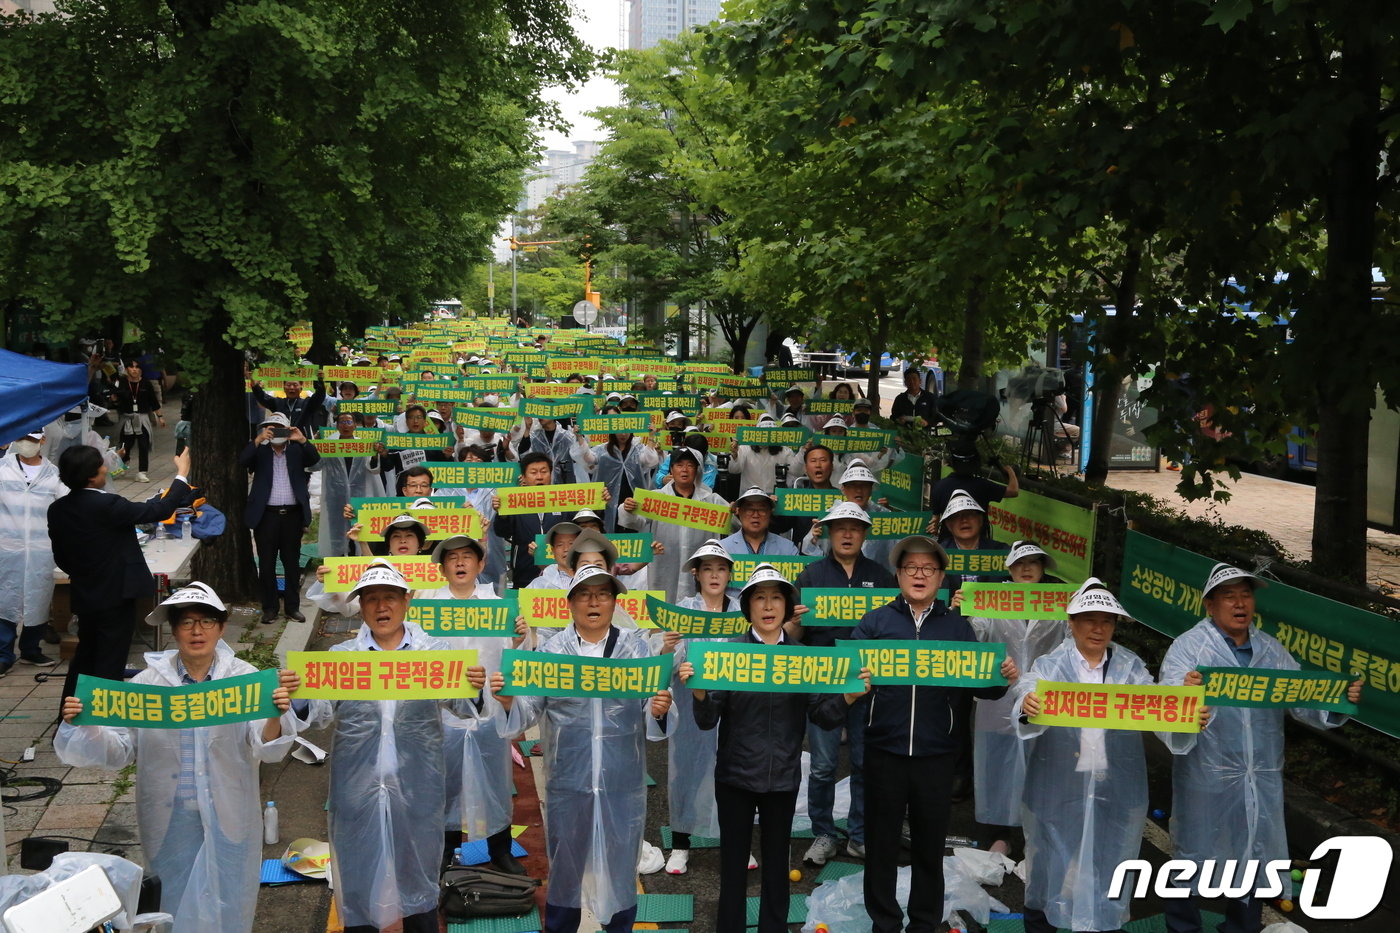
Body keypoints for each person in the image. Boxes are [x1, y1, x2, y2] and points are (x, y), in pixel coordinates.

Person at [55, 583, 299, 933]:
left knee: (231, 901)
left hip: (230, 814)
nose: (197, 631)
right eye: (186, 622)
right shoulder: (147, 685)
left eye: (206, 621)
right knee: (173, 903)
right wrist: (88, 724)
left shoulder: (244, 680)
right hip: (169, 819)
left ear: (221, 626)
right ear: (173, 629)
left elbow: (265, 746)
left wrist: (275, 713)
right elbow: (122, 749)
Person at [1159, 564, 1363, 933]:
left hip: (1261, 775)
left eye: (1246, 595)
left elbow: (1303, 699)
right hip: (1207, 772)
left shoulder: (1271, 650)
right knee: (1193, 851)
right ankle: (1183, 927)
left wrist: (1337, 700)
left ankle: (1241, 927)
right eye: (1229, 596)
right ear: (1209, 604)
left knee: (1255, 850)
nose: (1240, 603)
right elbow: (1167, 707)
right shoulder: (1189, 648)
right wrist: (1186, 696)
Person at [296, 560, 487, 933]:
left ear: (406, 601)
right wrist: (295, 694)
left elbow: (465, 709)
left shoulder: (434, 653)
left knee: (417, 882)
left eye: (389, 598)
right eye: (370, 599)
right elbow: (317, 713)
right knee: (359, 880)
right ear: (361, 607)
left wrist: (475, 685)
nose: (381, 607)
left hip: (417, 790)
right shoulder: (342, 659)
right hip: (357, 792)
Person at [680, 564, 871, 933]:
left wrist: (846, 697)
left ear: (786, 607)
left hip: (782, 778)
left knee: (777, 864)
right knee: (733, 864)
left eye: (776, 598)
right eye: (760, 598)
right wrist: (700, 693)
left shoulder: (803, 656)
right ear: (748, 607)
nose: (768, 606)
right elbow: (707, 720)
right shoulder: (728, 654)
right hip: (734, 775)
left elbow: (823, 715)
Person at [489, 566, 674, 933]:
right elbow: (530, 708)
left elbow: (652, 710)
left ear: (614, 602)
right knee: (566, 864)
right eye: (584, 594)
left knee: (621, 863)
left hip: (622, 782)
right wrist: (509, 701)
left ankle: (618, 927)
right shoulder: (553, 651)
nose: (594, 602)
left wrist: (658, 708)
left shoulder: (635, 649)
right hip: (568, 781)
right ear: (570, 603)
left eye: (603, 594)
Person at [1011, 579, 1201, 933]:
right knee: (1049, 861)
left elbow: (1155, 705)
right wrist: (1027, 702)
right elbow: (1028, 688)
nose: (1098, 629)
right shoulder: (1052, 665)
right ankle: (1041, 925)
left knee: (1112, 862)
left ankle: (1106, 925)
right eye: (1089, 619)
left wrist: (1185, 711)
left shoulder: (1130, 668)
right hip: (1059, 782)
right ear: (1072, 622)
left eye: (1107, 621)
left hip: (1115, 784)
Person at [850, 535, 1019, 933]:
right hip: (883, 749)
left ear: (942, 577)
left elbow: (983, 685)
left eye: (929, 568)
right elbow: (847, 672)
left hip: (936, 753)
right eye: (912, 568)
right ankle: (885, 923)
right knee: (881, 844)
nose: (920, 575)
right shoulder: (876, 622)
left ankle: (924, 922)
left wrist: (1003, 678)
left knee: (929, 846)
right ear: (898, 575)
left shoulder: (957, 627)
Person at [787, 500, 896, 864]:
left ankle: (859, 834)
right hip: (822, 681)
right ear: (830, 533)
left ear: (865, 533)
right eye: (840, 527)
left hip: (868, 682)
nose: (847, 534)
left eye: (855, 527)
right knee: (822, 764)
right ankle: (823, 834)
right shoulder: (811, 576)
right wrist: (795, 620)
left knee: (866, 762)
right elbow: (791, 635)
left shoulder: (882, 578)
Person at [418, 535, 526, 875]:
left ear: (481, 564)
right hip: (443, 714)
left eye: (468, 557)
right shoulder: (427, 607)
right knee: (445, 783)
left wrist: (522, 637)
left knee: (495, 781)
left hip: (489, 712)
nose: (461, 563)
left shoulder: (497, 605)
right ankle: (447, 849)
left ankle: (500, 849)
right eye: (453, 558)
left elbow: (515, 657)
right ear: (443, 567)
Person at [49, 446, 193, 700]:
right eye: (102, 465)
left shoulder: (58, 508)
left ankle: (68, 718)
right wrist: (182, 474)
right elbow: (159, 511)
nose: (106, 468)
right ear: (92, 475)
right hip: (116, 595)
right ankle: (104, 723)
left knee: (84, 657)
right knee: (110, 660)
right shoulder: (106, 503)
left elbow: (61, 556)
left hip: (85, 593)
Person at [966, 541, 1066, 856]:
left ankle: (1037, 836)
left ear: (1042, 569)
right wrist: (969, 609)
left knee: (1041, 766)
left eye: (1034, 563)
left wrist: (1078, 609)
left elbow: (1071, 644)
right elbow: (976, 636)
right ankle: (1000, 832)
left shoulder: (1057, 603)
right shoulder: (993, 598)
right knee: (997, 765)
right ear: (1009, 568)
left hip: (1042, 699)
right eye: (1021, 563)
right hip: (998, 699)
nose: (1027, 568)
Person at [663, 540, 739, 875]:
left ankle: (736, 842)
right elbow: (672, 662)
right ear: (696, 573)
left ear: (729, 574)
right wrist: (670, 648)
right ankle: (681, 843)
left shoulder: (741, 611)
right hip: (692, 707)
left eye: (721, 568)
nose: (714, 575)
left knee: (735, 775)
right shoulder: (684, 609)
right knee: (686, 773)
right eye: (707, 568)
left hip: (736, 709)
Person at [619, 445, 731, 603]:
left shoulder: (711, 500)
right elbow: (635, 523)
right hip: (664, 566)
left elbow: (736, 523)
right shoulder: (657, 498)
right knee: (664, 614)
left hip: (700, 571)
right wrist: (627, 509)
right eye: (679, 465)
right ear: (671, 469)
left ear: (697, 470)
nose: (684, 470)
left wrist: (738, 509)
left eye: (690, 465)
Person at [240, 412, 320, 624]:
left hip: (292, 516)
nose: (276, 432)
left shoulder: (296, 450)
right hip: (266, 516)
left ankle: (293, 607)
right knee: (266, 564)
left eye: (280, 428)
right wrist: (257, 440)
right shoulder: (261, 451)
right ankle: (270, 608)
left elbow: (315, 459)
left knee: (291, 564)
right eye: (271, 428)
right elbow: (242, 460)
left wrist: (302, 439)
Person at [0, 430, 64, 672]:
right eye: (23, 438)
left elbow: (66, 505)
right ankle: (4, 654)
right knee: (6, 598)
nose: (27, 444)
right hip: (7, 548)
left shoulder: (54, 474)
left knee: (38, 598)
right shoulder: (3, 469)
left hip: (41, 549)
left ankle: (31, 650)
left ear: (43, 441)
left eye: (33, 439)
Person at [493, 451, 575, 588]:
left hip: (562, 576)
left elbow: (580, 526)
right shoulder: (514, 502)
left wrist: (599, 503)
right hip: (524, 573)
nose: (539, 477)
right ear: (524, 478)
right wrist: (502, 513)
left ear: (551, 474)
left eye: (544, 472)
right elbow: (502, 532)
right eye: (533, 472)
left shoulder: (563, 500)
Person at [317, 411, 385, 558]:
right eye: (341, 422)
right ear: (336, 426)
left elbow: (373, 469)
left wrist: (375, 455)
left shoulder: (364, 444)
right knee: (336, 534)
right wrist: (312, 448)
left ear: (355, 425)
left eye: (349, 422)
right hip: (335, 497)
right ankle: (339, 564)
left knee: (358, 532)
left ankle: (358, 562)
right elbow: (314, 466)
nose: (345, 425)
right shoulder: (329, 444)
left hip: (360, 496)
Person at [583, 426, 660, 532]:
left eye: (626, 431)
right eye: (619, 431)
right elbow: (588, 458)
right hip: (609, 501)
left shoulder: (638, 450)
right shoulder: (603, 450)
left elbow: (651, 461)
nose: (623, 434)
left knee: (632, 532)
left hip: (632, 501)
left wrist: (652, 436)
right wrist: (579, 438)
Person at [110, 358, 166, 483]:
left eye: (137, 367)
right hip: (127, 418)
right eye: (131, 367)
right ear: (127, 369)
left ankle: (142, 472)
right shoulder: (122, 382)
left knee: (143, 445)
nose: (134, 369)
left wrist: (160, 417)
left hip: (142, 418)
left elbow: (153, 401)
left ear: (141, 370)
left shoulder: (146, 384)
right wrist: (114, 399)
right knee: (125, 445)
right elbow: (116, 401)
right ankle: (122, 466)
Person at [928, 448, 1019, 515]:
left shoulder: (940, 486)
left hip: (947, 538)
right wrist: (1010, 471)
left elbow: (935, 518)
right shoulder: (983, 485)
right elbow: (1013, 491)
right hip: (978, 539)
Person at [719, 486, 799, 557]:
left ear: (770, 513)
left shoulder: (788, 549)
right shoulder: (723, 548)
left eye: (762, 510)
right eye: (749, 510)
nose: (755, 515)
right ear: (739, 512)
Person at [252, 377, 329, 432]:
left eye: (295, 385)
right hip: (281, 441)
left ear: (301, 388)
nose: (292, 388)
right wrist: (255, 386)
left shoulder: (307, 403)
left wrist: (319, 380)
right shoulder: (278, 402)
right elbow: (263, 398)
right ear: (284, 388)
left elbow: (319, 397)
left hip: (301, 441)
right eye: (288, 385)